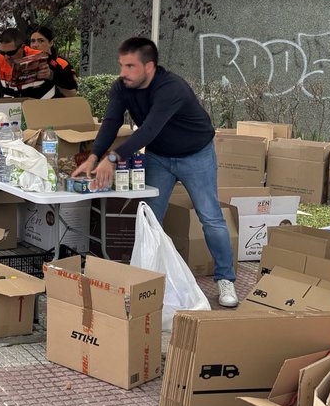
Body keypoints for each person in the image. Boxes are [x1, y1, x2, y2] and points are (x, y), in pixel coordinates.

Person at [71, 37, 239, 308]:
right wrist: (93, 157)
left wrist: (112, 158)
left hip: (196, 153)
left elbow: (148, 130)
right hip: (159, 157)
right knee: (149, 218)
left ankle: (225, 279)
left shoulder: (171, 88)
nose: (123, 72)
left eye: (130, 66)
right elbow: (112, 122)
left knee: (211, 218)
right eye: (121, 65)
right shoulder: (122, 87)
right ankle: (148, 281)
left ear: (149, 66)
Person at [0, 28, 50, 98]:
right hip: (12, 104)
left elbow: (59, 78)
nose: (6, 57)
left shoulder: (41, 57)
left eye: (11, 53)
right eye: (2, 52)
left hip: (40, 103)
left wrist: (50, 74)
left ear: (22, 47)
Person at [28, 25, 79, 98]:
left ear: (50, 43)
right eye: (33, 41)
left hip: (56, 106)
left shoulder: (61, 63)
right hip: (29, 107)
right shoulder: (24, 64)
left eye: (41, 41)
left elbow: (72, 93)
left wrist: (51, 76)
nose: (35, 45)